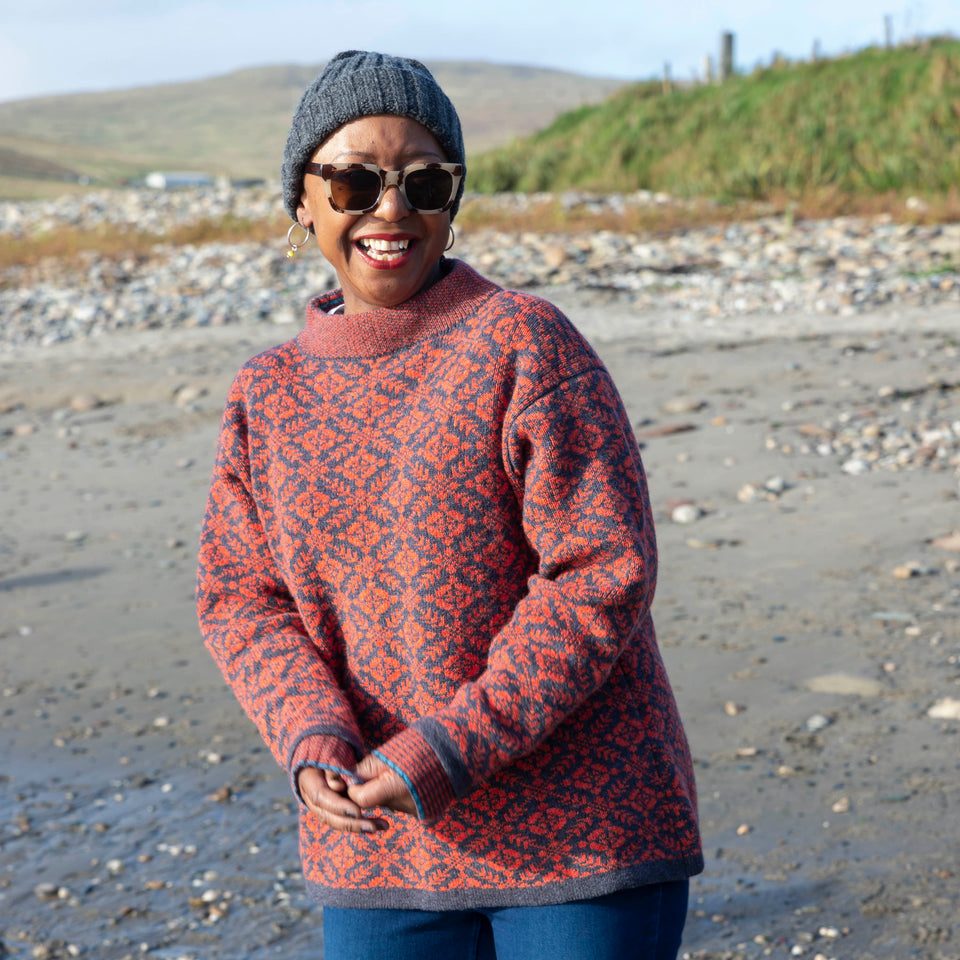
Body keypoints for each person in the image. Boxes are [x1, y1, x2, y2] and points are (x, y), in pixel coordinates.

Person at [197, 50, 703, 960]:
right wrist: (310, 735)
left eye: (423, 183)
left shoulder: (525, 343)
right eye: (354, 181)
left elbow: (601, 574)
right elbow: (241, 598)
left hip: (582, 839)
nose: (390, 209)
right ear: (302, 202)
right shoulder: (265, 393)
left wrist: (447, 749)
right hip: (375, 848)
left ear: (453, 199)